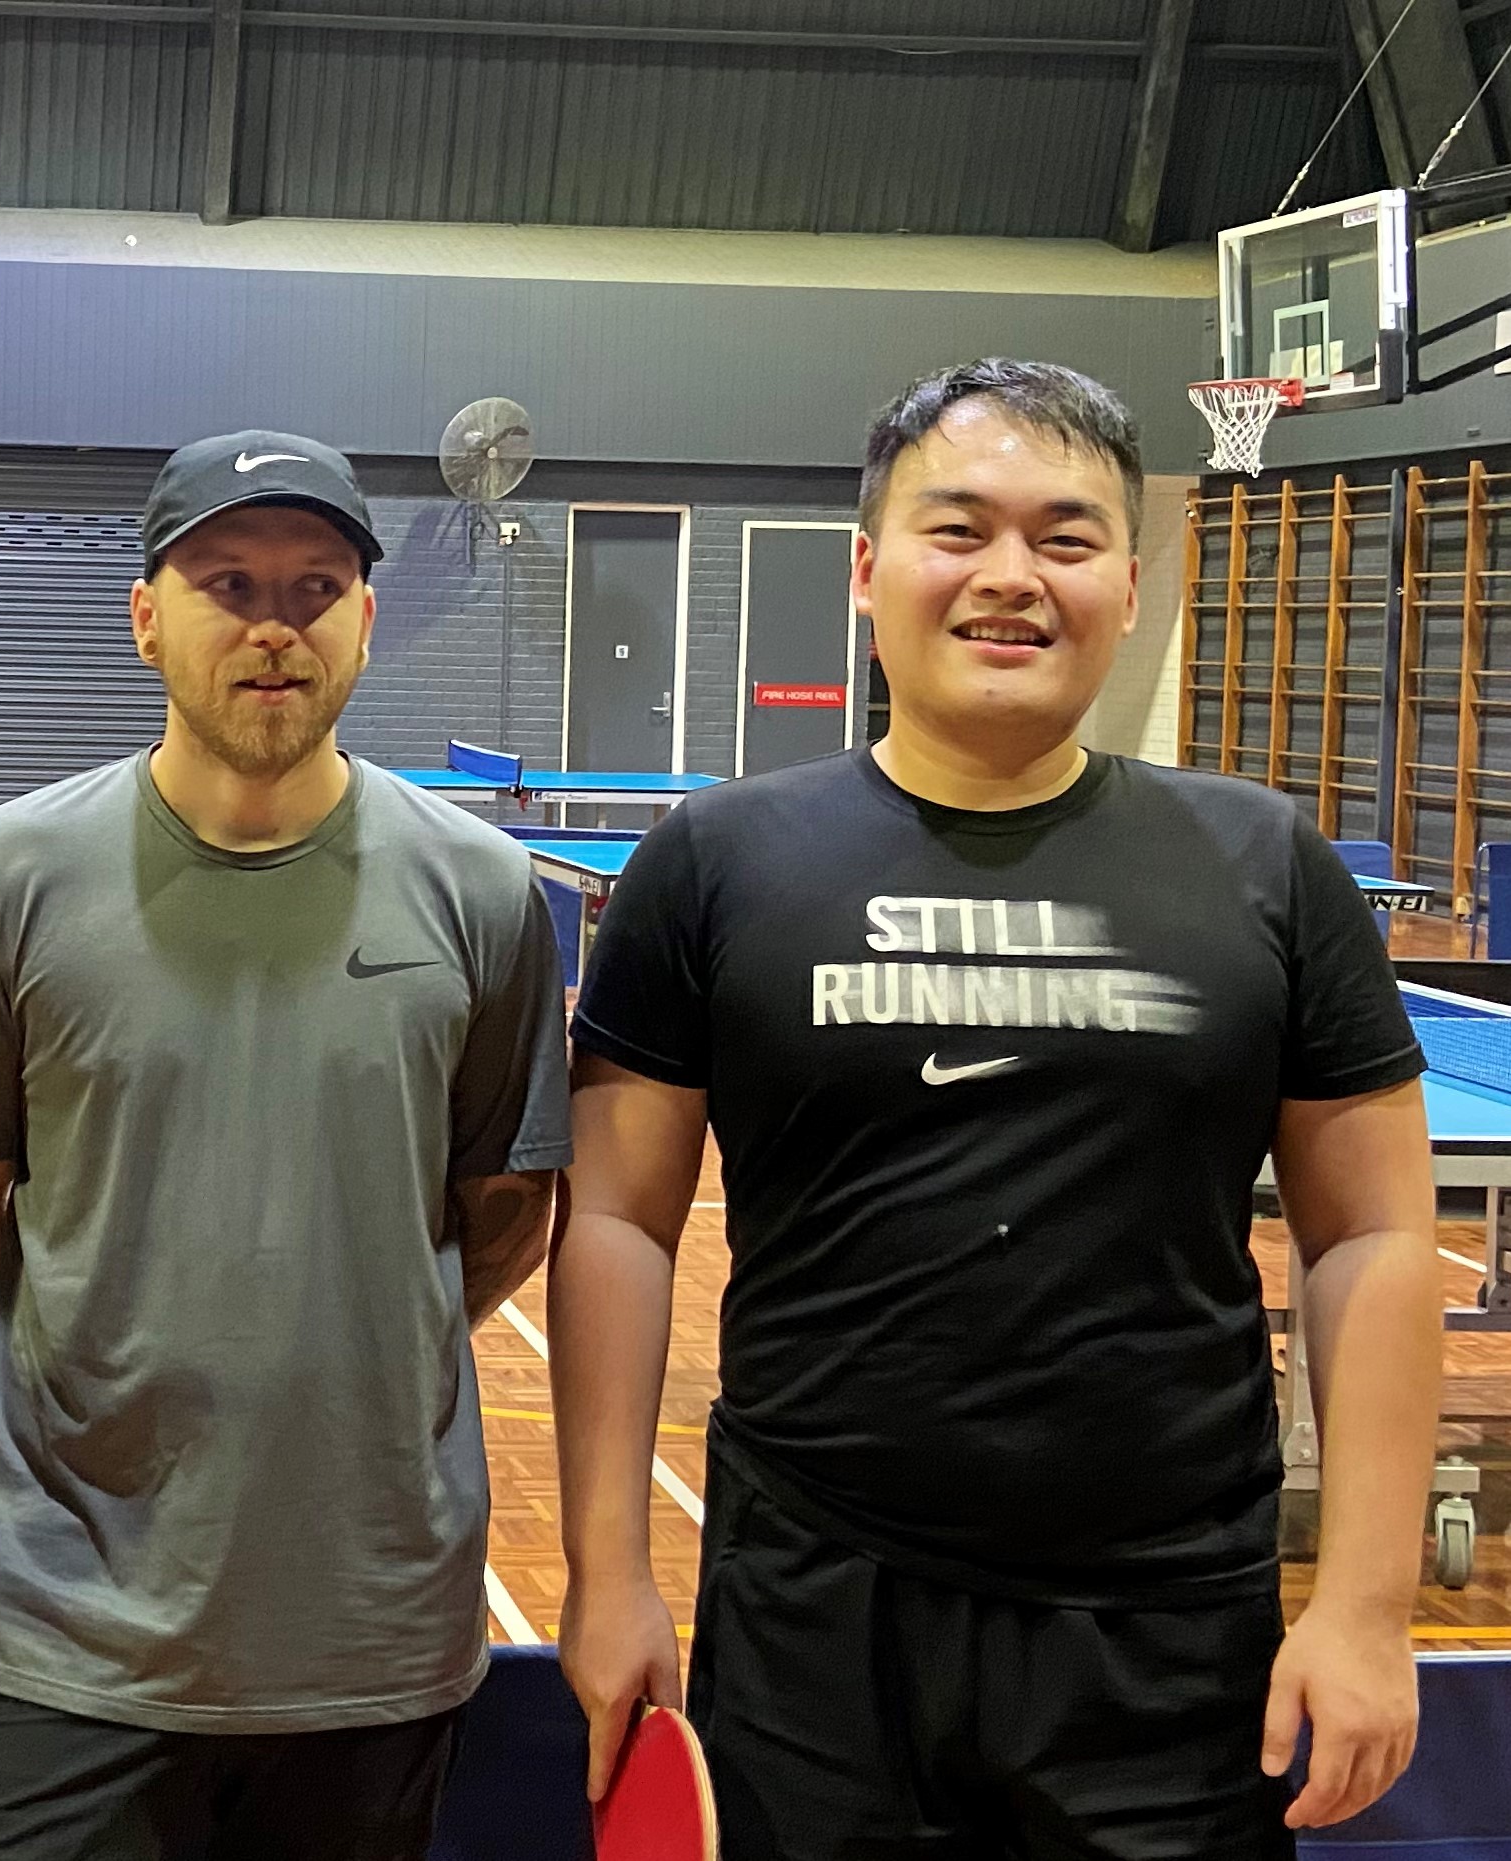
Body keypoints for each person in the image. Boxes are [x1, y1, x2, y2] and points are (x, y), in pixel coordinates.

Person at [552, 359, 1440, 1860]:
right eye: (956, 529)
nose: (1009, 576)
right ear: (866, 570)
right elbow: (619, 1226)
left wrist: (1363, 1602)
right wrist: (605, 1573)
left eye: (1065, 537)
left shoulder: (1266, 866)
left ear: (1129, 585)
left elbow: (1371, 1237)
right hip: (811, 1615)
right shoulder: (710, 863)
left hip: (1163, 1628)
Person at [0, 431, 572, 1861]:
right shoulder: (6, 871)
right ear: (146, 618)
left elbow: (504, 1205)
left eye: (314, 588)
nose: (273, 625)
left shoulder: (482, 889)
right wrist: (102, 1338)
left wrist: (361, 1338)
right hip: (66, 1630)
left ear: (365, 621)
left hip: (369, 1627)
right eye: (228, 584)